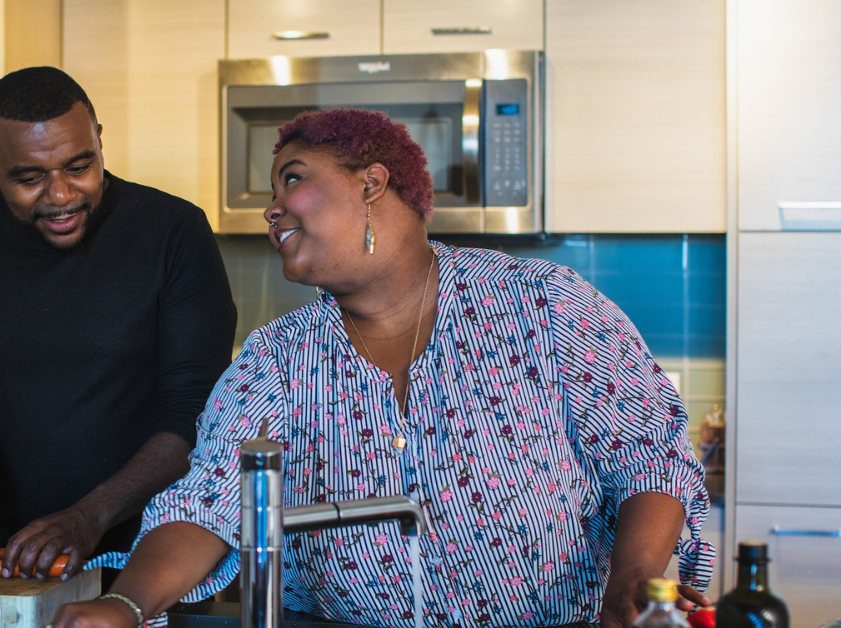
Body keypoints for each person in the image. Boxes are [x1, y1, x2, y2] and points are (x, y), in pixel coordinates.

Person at [53, 108, 715, 628]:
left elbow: (647, 456)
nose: (271, 207)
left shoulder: (546, 305)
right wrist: (128, 606)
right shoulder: (277, 360)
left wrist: (636, 579)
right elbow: (210, 504)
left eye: (293, 178)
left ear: (372, 182)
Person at [0, 66, 237, 580]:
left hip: (151, 561)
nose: (60, 195)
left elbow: (198, 414)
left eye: (79, 166)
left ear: (100, 142)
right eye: (30, 178)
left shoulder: (171, 232)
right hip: (6, 561)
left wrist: (90, 516)